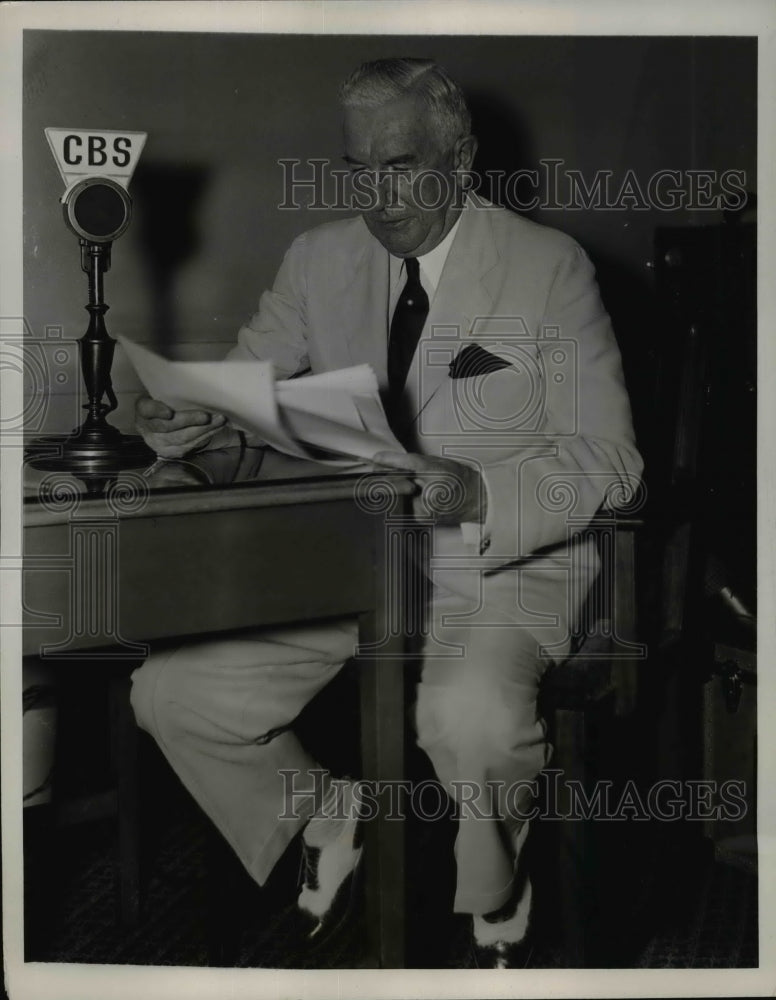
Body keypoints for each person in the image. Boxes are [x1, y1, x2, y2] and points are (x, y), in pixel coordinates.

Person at [131, 57, 643, 968]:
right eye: (359, 169)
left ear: (462, 159)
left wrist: (479, 492)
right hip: (351, 564)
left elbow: (613, 462)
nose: (377, 194)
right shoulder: (317, 260)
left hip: (497, 564)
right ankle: (331, 818)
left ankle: (495, 898)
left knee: (467, 716)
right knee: (173, 694)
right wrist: (181, 416)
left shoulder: (548, 267)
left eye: (401, 166)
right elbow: (239, 394)